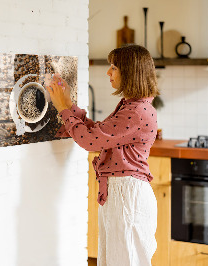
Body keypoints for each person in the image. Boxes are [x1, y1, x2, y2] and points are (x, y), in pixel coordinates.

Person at [46, 44, 159, 266]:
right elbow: (99, 133)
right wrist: (68, 104)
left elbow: (90, 141)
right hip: (122, 193)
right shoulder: (132, 106)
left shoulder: (136, 111)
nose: (108, 72)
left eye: (114, 67)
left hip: (127, 195)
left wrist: (62, 108)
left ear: (130, 71)